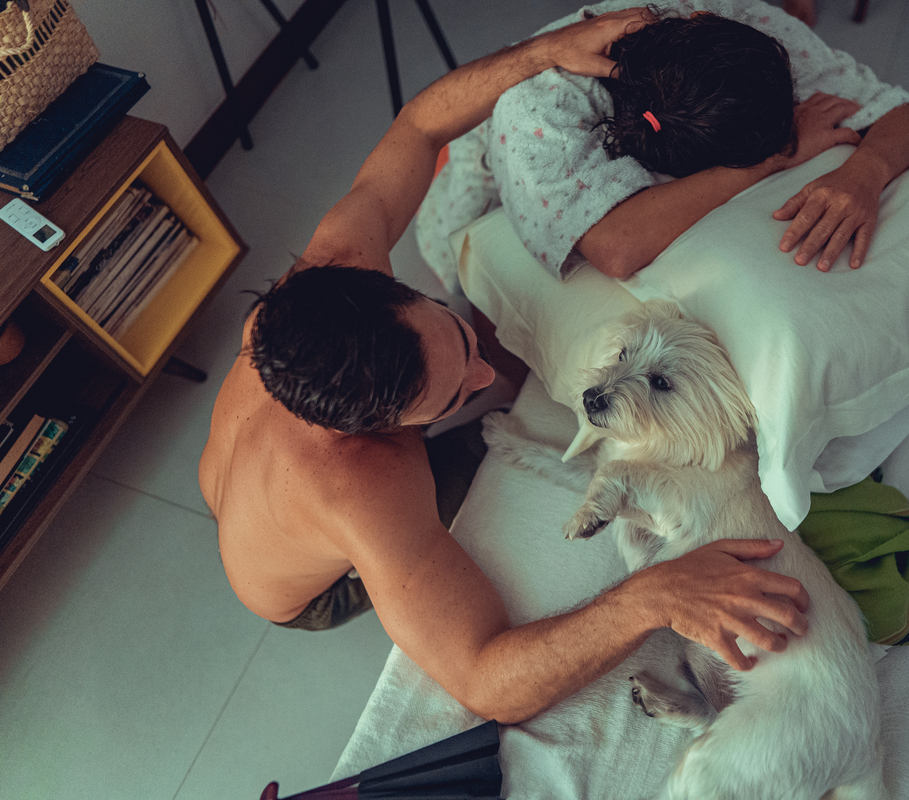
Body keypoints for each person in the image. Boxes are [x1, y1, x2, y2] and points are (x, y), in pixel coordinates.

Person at [198, 7, 809, 727]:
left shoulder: (327, 268)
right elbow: (484, 677)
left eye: (453, 335)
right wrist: (653, 598)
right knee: (514, 440)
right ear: (375, 431)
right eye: (452, 391)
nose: (482, 374)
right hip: (300, 589)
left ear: (383, 285)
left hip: (240, 488)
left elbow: (419, 127)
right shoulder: (367, 486)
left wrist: (548, 50)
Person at [416, 0, 909, 288]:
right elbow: (616, 246)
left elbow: (905, 114)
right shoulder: (537, 110)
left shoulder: (735, 19)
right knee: (465, 278)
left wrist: (866, 171)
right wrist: (777, 157)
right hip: (484, 164)